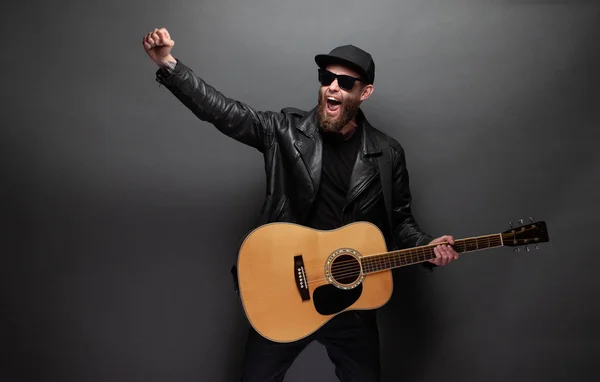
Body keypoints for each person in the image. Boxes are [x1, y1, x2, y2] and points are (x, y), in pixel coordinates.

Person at [142, 27, 459, 382]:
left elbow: (400, 220)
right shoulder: (284, 131)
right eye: (327, 78)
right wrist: (169, 64)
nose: (333, 87)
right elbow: (224, 113)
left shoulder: (387, 153)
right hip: (287, 291)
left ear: (365, 92)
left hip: (352, 302)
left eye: (345, 82)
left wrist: (425, 246)